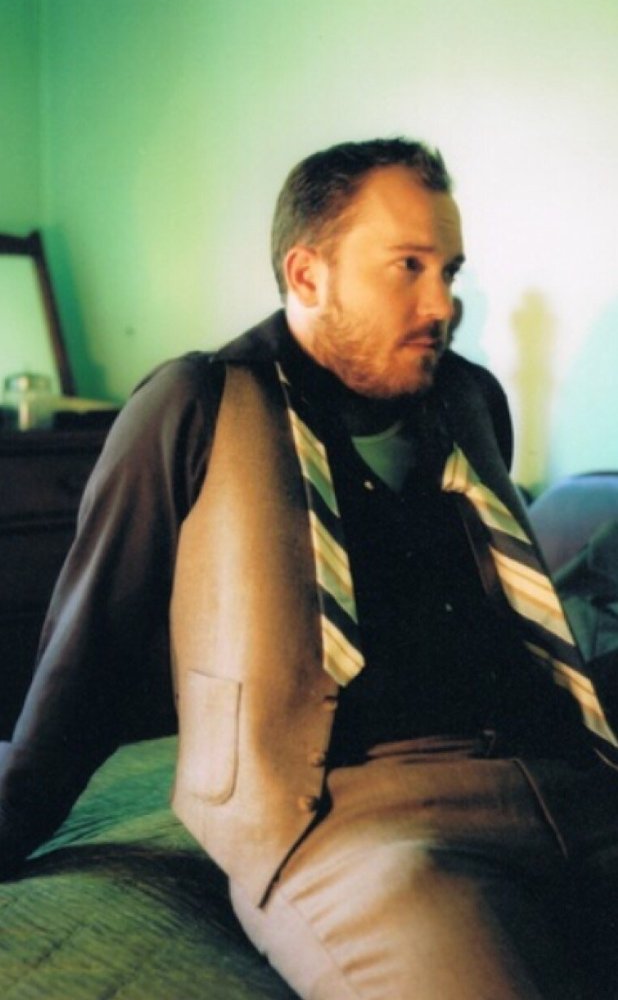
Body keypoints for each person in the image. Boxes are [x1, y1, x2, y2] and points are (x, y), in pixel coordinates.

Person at [1, 137, 618, 1000]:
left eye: (450, 271)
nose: (442, 303)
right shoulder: (196, 402)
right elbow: (90, 650)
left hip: (565, 784)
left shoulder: (471, 399)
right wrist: (14, 820)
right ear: (307, 274)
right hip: (359, 825)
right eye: (408, 266)